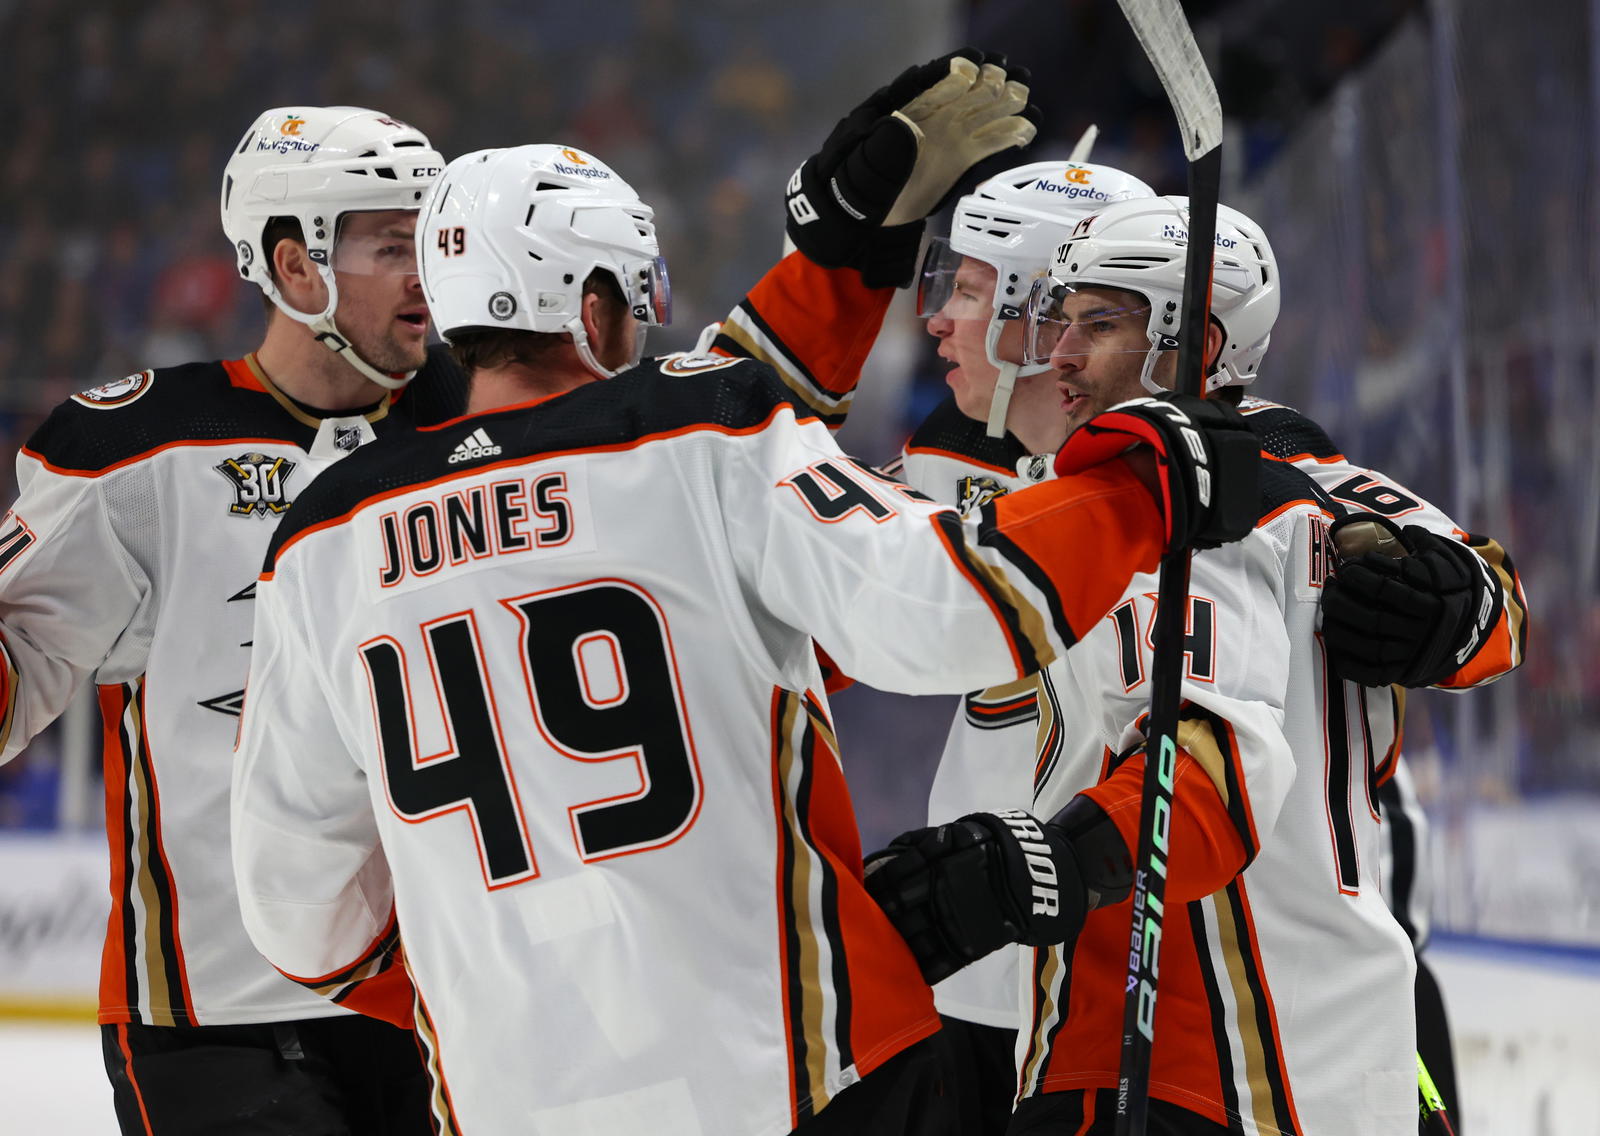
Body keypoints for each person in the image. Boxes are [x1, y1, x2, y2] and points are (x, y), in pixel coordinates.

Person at [228, 143, 1262, 1136]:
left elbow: (298, 915)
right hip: (794, 1073)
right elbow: (949, 612)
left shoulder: (322, 534)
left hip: (508, 1097)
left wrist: (502, 982)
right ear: (595, 308)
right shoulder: (696, 425)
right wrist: (1141, 483)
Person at [864, 164, 1526, 1131]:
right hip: (1123, 998)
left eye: (1094, 322)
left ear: (1192, 342)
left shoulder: (1230, 485)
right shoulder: (1007, 466)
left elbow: (1219, 759)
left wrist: (1457, 604)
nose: (1061, 351)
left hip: (1198, 1020)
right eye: (1060, 316)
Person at [0, 105, 465, 1133]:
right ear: (295, 268)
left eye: (433, 236)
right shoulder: (137, 453)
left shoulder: (474, 444)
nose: (427, 270)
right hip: (219, 1024)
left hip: (442, 1005)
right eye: (394, 245)